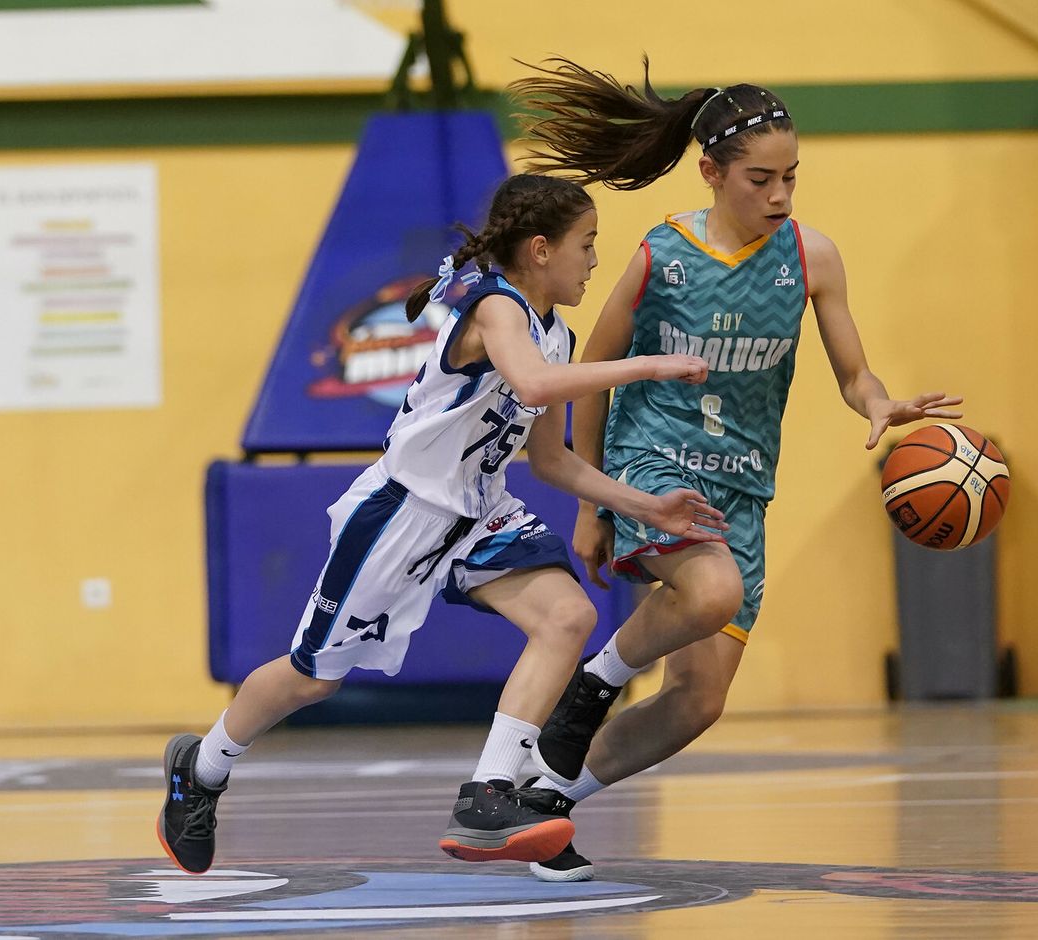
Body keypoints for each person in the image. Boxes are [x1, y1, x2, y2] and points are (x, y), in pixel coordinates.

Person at [155, 172, 727, 875]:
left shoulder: (556, 332)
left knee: (568, 618)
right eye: (587, 244)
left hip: (481, 510)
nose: (594, 261)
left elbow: (551, 461)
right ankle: (201, 767)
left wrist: (642, 506)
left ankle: (489, 792)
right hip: (405, 511)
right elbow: (535, 386)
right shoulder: (494, 306)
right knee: (314, 677)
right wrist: (647, 365)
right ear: (542, 250)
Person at [506, 59, 965, 882]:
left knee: (699, 701)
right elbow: (594, 365)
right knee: (709, 593)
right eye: (762, 179)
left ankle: (544, 800)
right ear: (713, 173)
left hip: (742, 490)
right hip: (656, 465)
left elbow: (852, 372)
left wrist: (878, 401)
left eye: (792, 177)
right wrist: (593, 501)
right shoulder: (662, 256)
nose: (781, 195)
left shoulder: (812, 258)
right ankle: (588, 693)